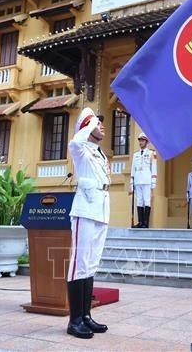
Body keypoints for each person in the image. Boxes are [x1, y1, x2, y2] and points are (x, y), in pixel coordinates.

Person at [66, 107, 110, 339]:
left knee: (90, 265)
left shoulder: (99, 153)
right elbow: (75, 141)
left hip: (100, 210)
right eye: (97, 124)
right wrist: (88, 123)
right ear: (87, 128)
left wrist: (92, 122)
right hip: (84, 211)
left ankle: (85, 317)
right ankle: (74, 321)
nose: (102, 126)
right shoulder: (80, 149)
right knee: (78, 264)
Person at [129, 132, 157, 228]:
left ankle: (146, 223)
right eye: (140, 140)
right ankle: (140, 222)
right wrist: (131, 182)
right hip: (137, 180)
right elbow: (133, 169)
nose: (140, 142)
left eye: (142, 140)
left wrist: (153, 181)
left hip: (146, 180)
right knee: (139, 201)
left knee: (147, 201)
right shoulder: (135, 155)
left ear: (146, 142)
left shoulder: (151, 153)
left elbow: (154, 167)